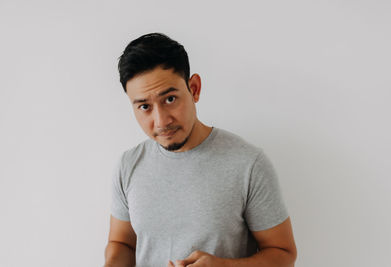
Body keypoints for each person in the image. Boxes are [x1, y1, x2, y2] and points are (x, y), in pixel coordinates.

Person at [104, 32, 297, 267]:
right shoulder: (129, 165)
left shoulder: (248, 164)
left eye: (170, 99)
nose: (161, 121)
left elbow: (283, 253)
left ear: (194, 89)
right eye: (145, 106)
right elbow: (122, 243)